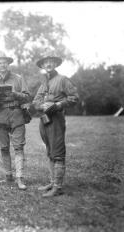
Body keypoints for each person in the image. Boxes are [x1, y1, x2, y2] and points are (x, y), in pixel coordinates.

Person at [32, 55, 79, 197]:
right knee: (50, 150)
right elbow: (35, 101)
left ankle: (58, 187)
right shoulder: (43, 83)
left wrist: (57, 104)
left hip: (56, 119)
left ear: (55, 64)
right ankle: (52, 182)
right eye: (45, 62)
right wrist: (41, 106)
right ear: (42, 65)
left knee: (57, 151)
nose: (48, 64)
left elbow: (74, 97)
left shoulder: (63, 79)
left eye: (51, 62)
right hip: (44, 119)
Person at [0, 51, 31, 190]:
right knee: (4, 147)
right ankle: (8, 175)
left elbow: (27, 96)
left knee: (18, 147)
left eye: (5, 62)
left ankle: (19, 177)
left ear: (8, 64)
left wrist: (14, 94)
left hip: (16, 114)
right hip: (1, 116)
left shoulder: (18, 78)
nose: (2, 65)